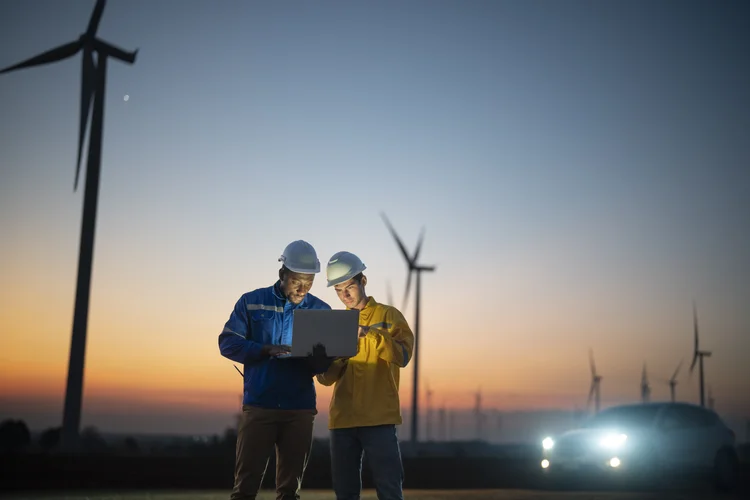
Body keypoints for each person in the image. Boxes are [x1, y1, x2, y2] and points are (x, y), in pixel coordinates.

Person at [218, 240, 335, 500]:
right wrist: (263, 349)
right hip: (260, 405)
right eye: (297, 280)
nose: (303, 288)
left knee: (289, 492)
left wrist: (319, 360)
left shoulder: (321, 311)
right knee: (245, 488)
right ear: (282, 274)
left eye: (309, 281)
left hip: (300, 409)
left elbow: (325, 367)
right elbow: (227, 343)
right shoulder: (251, 302)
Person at [316, 251, 415, 500]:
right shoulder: (334, 324)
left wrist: (369, 334)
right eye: (338, 290)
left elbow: (402, 356)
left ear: (363, 281)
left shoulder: (389, 316)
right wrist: (337, 358)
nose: (344, 295)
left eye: (349, 287)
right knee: (345, 493)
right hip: (342, 420)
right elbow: (325, 379)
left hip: (379, 418)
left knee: (389, 489)